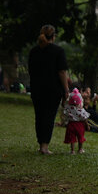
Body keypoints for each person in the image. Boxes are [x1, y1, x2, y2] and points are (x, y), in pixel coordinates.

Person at [27, 24, 70, 154]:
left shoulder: (34, 51)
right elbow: (62, 72)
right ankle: (44, 146)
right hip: (53, 89)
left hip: (36, 88)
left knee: (39, 116)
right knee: (49, 117)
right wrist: (66, 89)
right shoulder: (58, 51)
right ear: (54, 36)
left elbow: (30, 70)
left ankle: (41, 144)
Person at [61, 88, 89, 154]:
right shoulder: (80, 110)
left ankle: (72, 150)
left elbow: (64, 114)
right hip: (79, 125)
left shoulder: (68, 109)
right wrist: (87, 125)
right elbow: (85, 118)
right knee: (80, 138)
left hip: (71, 125)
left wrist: (63, 122)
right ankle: (80, 149)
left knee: (72, 139)